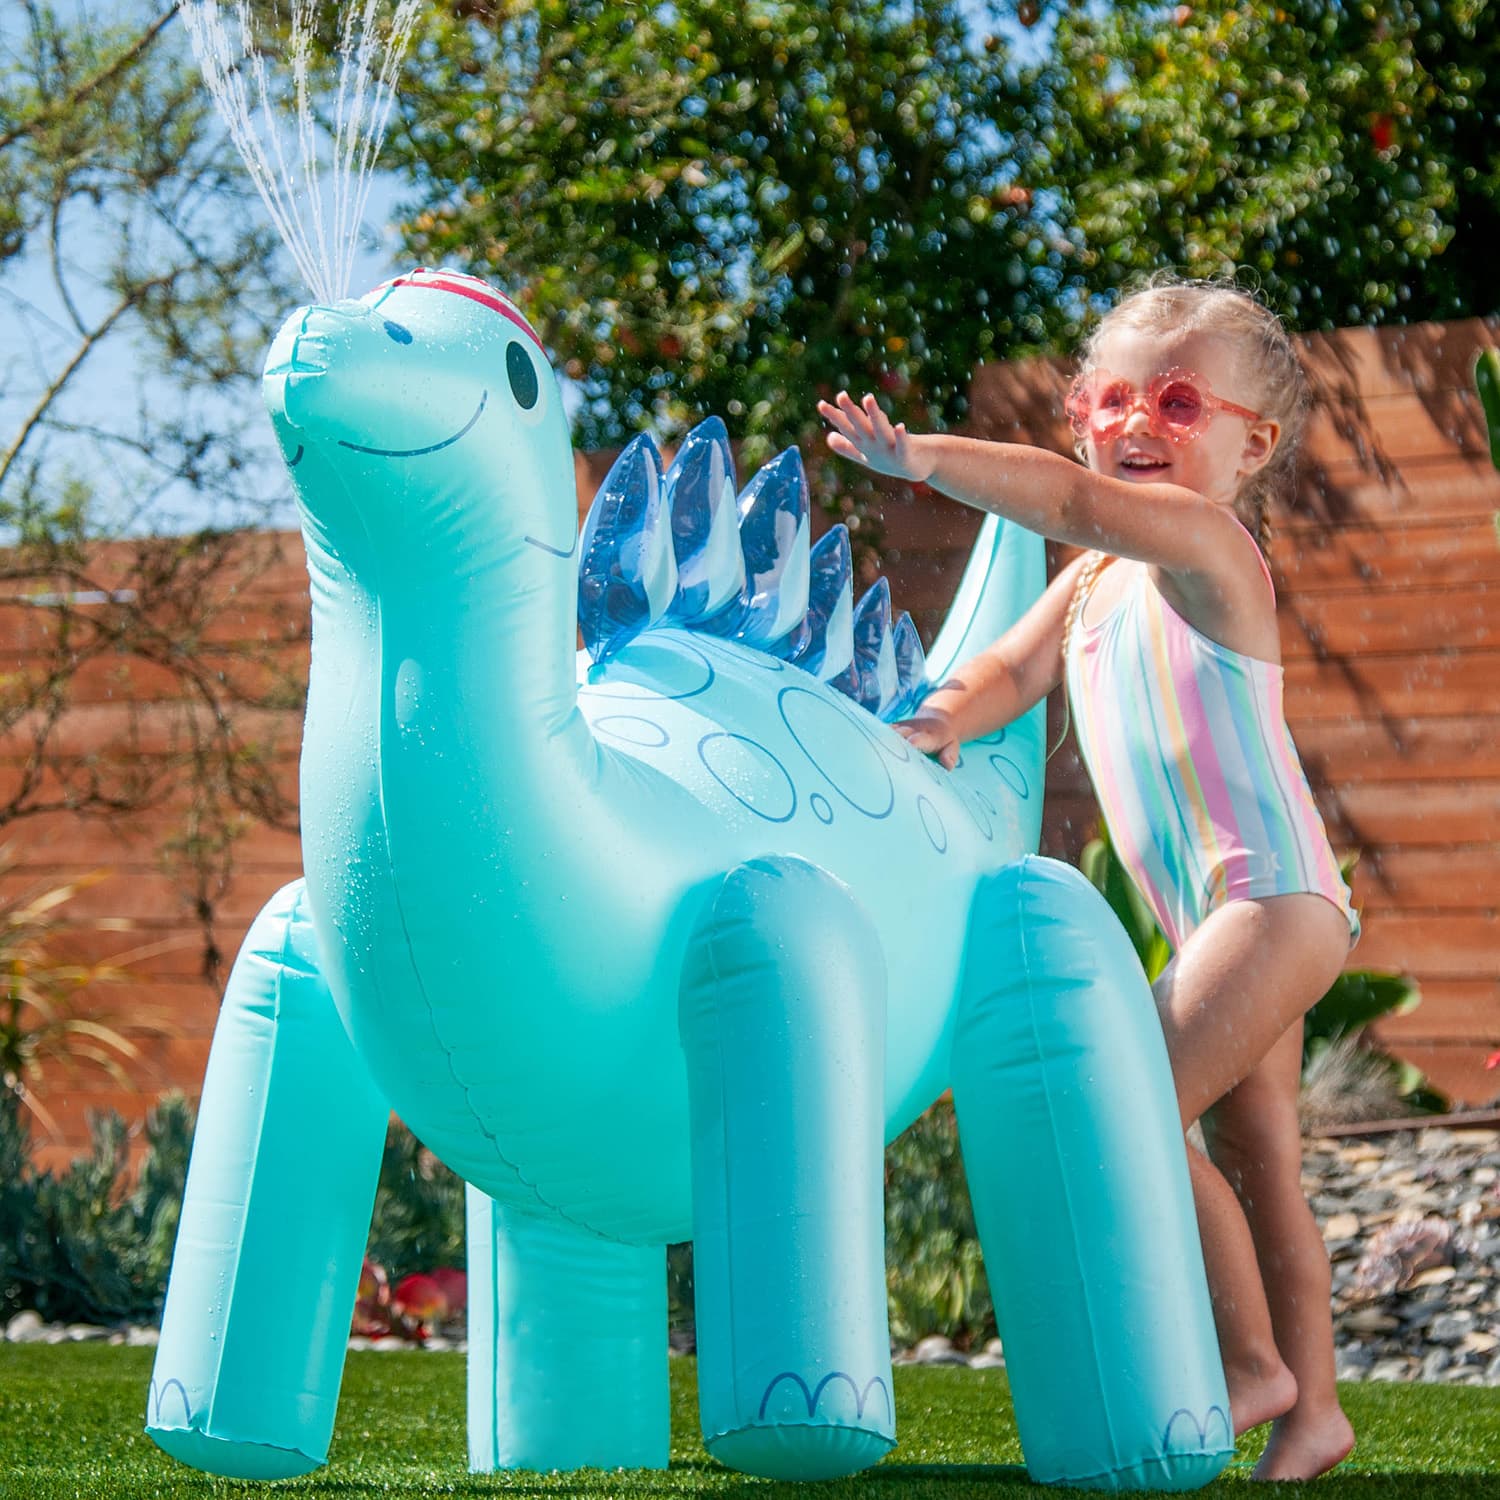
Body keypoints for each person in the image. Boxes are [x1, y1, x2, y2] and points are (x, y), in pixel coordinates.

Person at [819, 276, 1360, 1482]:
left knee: (1131, 1104)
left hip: (1270, 901)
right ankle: (1315, 1411)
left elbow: (1067, 499)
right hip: (1227, 913)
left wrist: (919, 458)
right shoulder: (1094, 589)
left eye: (1175, 403)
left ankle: (1247, 1361)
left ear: (1249, 445)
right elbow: (1008, 672)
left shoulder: (1210, 547)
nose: (1133, 426)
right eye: (1109, 398)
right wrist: (938, 720)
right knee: (1260, 1152)